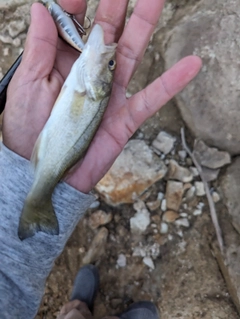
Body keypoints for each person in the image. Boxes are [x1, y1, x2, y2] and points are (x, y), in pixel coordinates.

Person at [0, 0, 202, 318]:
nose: (110, 62)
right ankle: (80, 310)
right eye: (111, 66)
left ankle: (77, 308)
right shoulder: (88, 86)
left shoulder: (88, 84)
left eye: (109, 66)